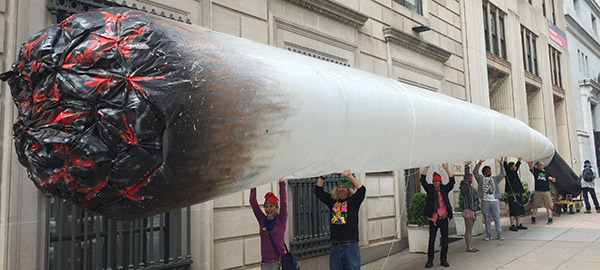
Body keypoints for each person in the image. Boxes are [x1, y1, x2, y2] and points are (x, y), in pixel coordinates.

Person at [314, 169, 365, 270]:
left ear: (348, 190)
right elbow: (317, 191)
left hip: (350, 246)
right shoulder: (332, 201)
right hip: (335, 247)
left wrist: (350, 176)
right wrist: (323, 177)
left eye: (344, 187)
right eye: (339, 187)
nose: (341, 189)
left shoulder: (353, 201)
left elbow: (362, 190)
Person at [421, 163, 455, 268]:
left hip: (443, 218)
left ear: (440, 182)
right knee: (431, 240)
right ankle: (429, 260)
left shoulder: (444, 189)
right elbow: (422, 180)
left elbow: (452, 181)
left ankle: (443, 259)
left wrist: (446, 169)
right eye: (434, 181)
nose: (436, 183)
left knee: (445, 240)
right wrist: (426, 168)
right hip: (433, 219)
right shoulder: (430, 189)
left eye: (438, 181)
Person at [250, 179, 288, 270]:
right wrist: (253, 183)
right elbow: (253, 202)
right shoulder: (262, 219)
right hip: (265, 264)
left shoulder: (281, 219)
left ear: (276, 207)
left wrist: (281, 183)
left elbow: (283, 202)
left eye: (271, 206)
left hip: (279, 262)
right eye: (266, 206)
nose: (268, 209)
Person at [473, 158, 505, 241]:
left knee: (496, 217)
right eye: (486, 171)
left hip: (494, 200)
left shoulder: (494, 179)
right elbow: (475, 173)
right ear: (483, 172)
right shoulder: (481, 179)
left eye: (489, 170)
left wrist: (501, 165)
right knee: (486, 218)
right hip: (485, 201)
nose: (488, 172)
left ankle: (499, 234)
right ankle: (488, 234)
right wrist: (479, 163)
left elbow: (502, 174)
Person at [503, 157, 528, 231]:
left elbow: (517, 166)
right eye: (514, 166)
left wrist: (519, 161)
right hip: (512, 195)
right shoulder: (508, 174)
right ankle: (512, 224)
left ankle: (518, 224)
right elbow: (505, 168)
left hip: (518, 194)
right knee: (513, 210)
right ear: (510, 167)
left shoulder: (514, 173)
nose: (515, 167)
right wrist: (504, 161)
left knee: (518, 210)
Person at [459, 161, 479, 252]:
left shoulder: (468, 187)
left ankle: (470, 245)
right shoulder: (466, 186)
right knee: (468, 229)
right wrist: (467, 166)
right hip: (468, 210)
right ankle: (468, 246)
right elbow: (466, 176)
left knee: (470, 230)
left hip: (471, 210)